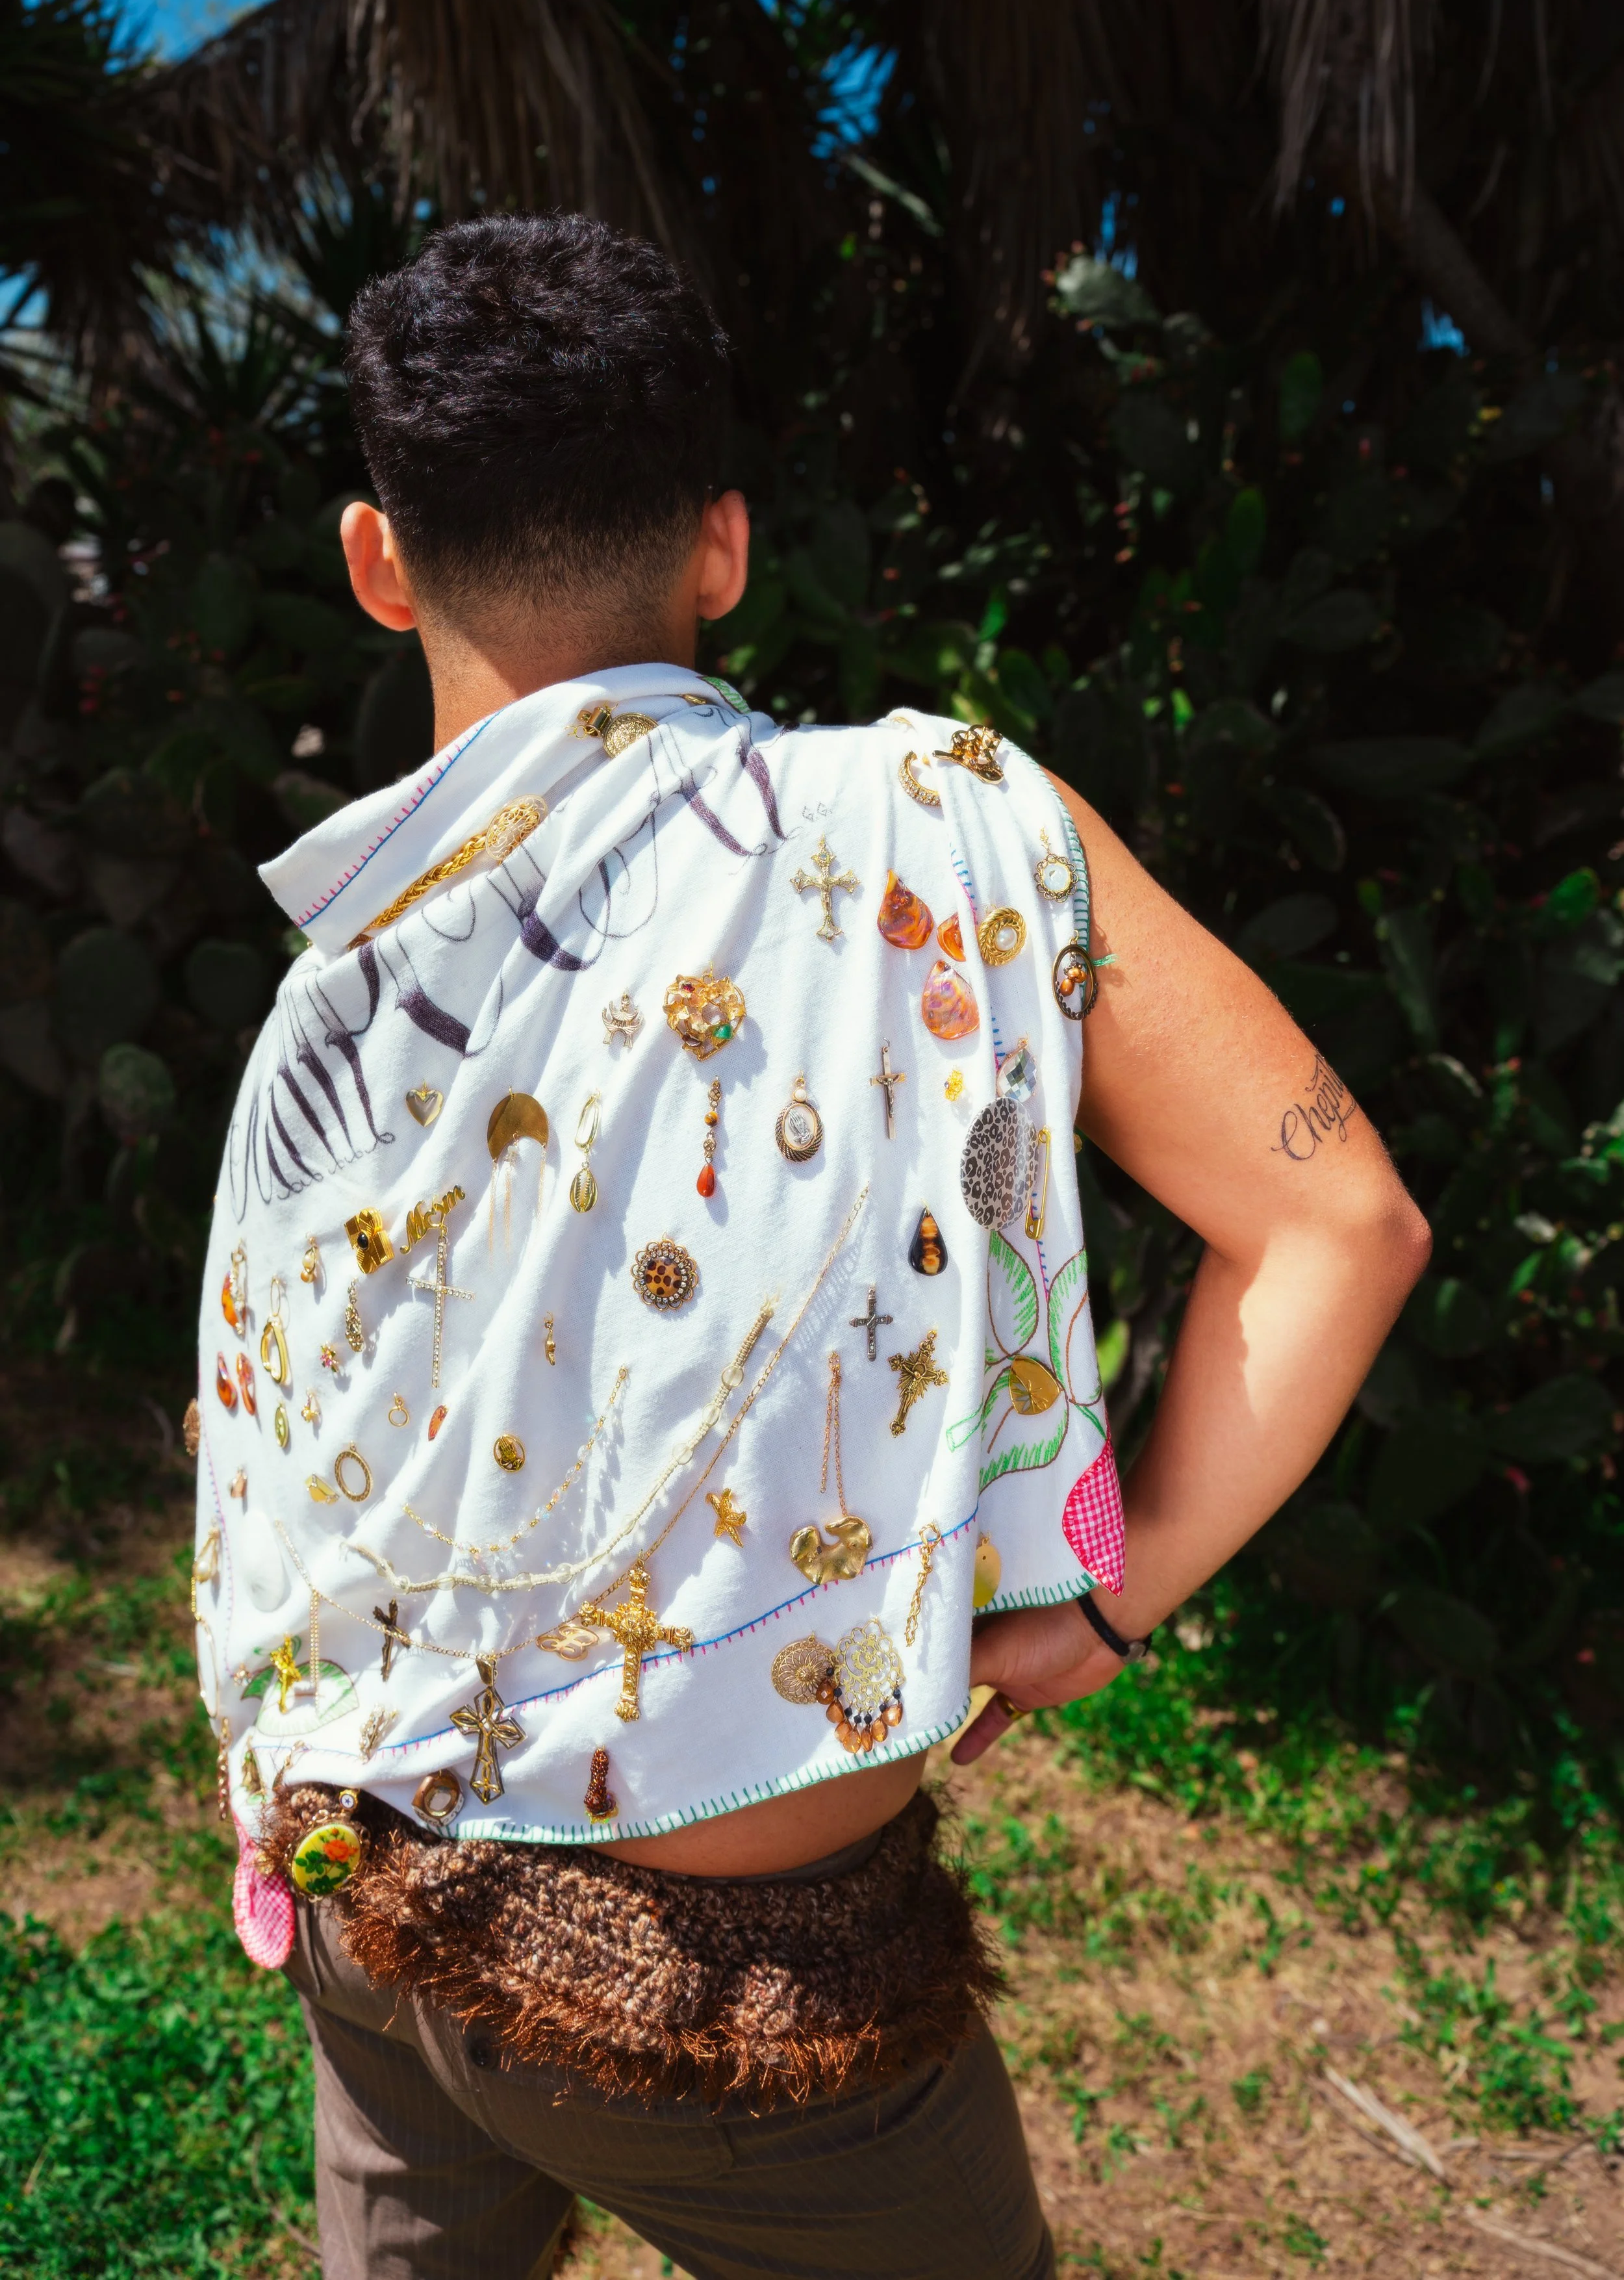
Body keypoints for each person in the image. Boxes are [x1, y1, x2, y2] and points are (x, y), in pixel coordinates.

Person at [190, 212, 1430, 2280]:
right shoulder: (939, 824)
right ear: (725, 548)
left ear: (378, 561)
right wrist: (1099, 1609)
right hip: (735, 2006)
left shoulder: (337, 983)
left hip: (351, 1904)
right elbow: (1341, 1219)